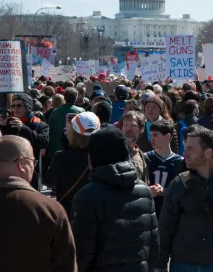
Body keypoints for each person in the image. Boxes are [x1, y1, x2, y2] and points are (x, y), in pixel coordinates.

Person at [155, 127, 213, 272]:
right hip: (182, 264)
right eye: (185, 148)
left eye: (191, 149)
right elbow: (165, 227)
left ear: (208, 153)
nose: (184, 153)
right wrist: (159, 265)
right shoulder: (178, 184)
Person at [0, 135, 76, 271]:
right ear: (21, 163)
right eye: (33, 162)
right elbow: (66, 265)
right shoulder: (50, 209)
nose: (33, 166)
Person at [71, 126, 159, 271]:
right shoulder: (144, 190)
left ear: (93, 156)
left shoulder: (86, 196)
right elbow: (154, 247)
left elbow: (81, 253)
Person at [49, 112, 100, 217]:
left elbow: (50, 181)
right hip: (97, 213)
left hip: (69, 213)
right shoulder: (103, 157)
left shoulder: (61, 157)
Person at [0, 93, 50, 190]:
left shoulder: (40, 124)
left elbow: (43, 142)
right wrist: (2, 126)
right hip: (11, 170)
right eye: (13, 106)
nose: (15, 109)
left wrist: (23, 128)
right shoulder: (8, 123)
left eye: (19, 105)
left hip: (31, 172)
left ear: (28, 108)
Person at [144, 120, 184, 217]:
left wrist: (165, 191)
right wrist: (147, 190)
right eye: (151, 135)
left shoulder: (180, 162)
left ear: (168, 137)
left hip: (170, 212)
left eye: (156, 135)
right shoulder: (146, 158)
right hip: (149, 210)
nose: (151, 139)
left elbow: (183, 191)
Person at [48, 87, 84, 157]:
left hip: (57, 149)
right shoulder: (81, 112)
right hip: (76, 149)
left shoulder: (55, 112)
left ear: (64, 98)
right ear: (76, 98)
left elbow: (50, 129)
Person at [121, 111, 150, 183]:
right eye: (125, 125)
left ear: (141, 129)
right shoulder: (115, 151)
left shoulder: (142, 156)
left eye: (133, 125)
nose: (128, 129)